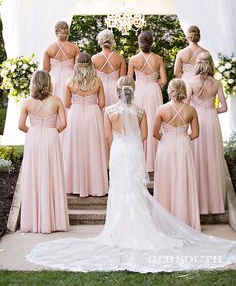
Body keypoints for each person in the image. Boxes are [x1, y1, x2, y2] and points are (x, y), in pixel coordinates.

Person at [26, 76, 236, 272]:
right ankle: (139, 227)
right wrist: (132, 138)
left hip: (118, 151)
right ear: (133, 91)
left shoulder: (109, 111)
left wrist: (119, 140)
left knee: (119, 186)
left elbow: (107, 136)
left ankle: (118, 228)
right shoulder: (140, 111)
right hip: (134, 151)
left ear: (117, 91)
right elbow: (144, 136)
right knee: (136, 186)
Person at [19, 70, 69, 233]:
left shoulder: (27, 102)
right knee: (51, 174)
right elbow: (63, 124)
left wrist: (34, 132)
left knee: (34, 175)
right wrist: (51, 132)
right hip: (51, 138)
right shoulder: (56, 101)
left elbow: (21, 125)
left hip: (33, 139)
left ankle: (34, 221)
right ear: (49, 82)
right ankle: (53, 221)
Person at [153, 78, 200, 230]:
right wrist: (183, 138)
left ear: (170, 90)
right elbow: (196, 133)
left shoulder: (161, 109)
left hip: (166, 146)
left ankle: (164, 222)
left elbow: (154, 133)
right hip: (184, 145)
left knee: (166, 181)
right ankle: (184, 220)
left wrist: (165, 140)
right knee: (182, 180)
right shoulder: (191, 110)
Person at [187, 52, 227, 214]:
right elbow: (224, 108)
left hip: (196, 119)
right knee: (212, 158)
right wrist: (210, 110)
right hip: (211, 120)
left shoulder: (191, 82)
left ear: (197, 64)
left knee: (197, 158)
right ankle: (214, 204)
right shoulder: (217, 83)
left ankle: (198, 203)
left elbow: (186, 105)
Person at [64, 52, 108, 197]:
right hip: (92, 115)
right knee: (93, 147)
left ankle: (74, 185)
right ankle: (95, 186)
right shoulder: (97, 81)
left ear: (76, 64)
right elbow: (102, 103)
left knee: (75, 147)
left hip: (75, 115)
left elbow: (66, 103)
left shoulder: (70, 81)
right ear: (90, 64)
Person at [128, 30, 167, 172]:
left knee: (138, 123)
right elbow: (164, 80)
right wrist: (154, 81)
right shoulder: (158, 59)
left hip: (139, 91)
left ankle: (140, 159)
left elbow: (128, 80)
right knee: (153, 121)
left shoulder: (133, 59)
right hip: (153, 91)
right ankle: (154, 160)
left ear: (139, 43)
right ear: (152, 43)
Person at [43, 21, 80, 102]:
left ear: (56, 31)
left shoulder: (49, 48)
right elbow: (78, 67)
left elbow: (46, 70)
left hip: (54, 78)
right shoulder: (74, 48)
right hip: (70, 78)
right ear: (68, 31)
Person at [92, 29, 126, 107]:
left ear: (100, 42)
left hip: (100, 90)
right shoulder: (120, 58)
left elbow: (92, 79)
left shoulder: (94, 58)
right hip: (115, 91)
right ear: (112, 42)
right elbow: (122, 80)